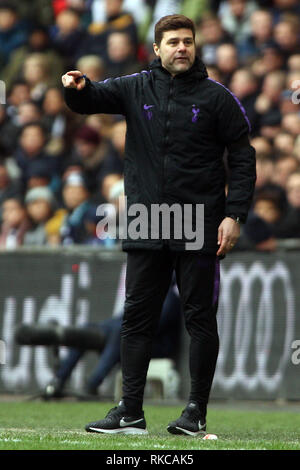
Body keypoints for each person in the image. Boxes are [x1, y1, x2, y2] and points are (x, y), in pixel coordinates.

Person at [62, 14, 256, 436]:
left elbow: (243, 156)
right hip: (145, 218)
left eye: (187, 41)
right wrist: (77, 89)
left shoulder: (218, 97)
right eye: (173, 42)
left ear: (195, 46)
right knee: (136, 317)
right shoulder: (134, 87)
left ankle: (195, 413)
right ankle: (130, 411)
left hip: (199, 219)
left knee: (199, 318)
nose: (181, 48)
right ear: (157, 49)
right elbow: (92, 97)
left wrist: (235, 214)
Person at [44, 276, 182, 398]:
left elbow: (151, 328)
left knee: (119, 333)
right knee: (88, 329)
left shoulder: (169, 299)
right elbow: (123, 319)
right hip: (133, 339)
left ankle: (92, 384)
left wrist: (121, 329)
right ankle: (58, 380)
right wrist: (100, 328)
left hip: (156, 347)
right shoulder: (145, 295)